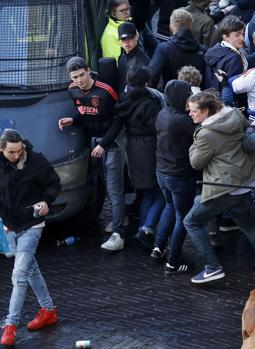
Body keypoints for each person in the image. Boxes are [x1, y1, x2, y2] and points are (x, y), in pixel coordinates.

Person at [183, 91, 255, 284]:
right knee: (247, 224)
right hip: (246, 181)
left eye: (194, 111)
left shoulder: (205, 134)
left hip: (224, 186)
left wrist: (192, 144)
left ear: (206, 111)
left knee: (192, 222)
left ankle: (212, 267)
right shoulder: (234, 115)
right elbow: (247, 130)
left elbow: (196, 163)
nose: (190, 114)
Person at [58, 57, 126, 251]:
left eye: (81, 75)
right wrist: (72, 120)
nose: (79, 80)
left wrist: (104, 143)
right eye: (75, 77)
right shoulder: (72, 90)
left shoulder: (106, 91)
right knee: (104, 182)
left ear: (89, 70)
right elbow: (87, 112)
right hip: (94, 142)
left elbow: (118, 120)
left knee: (113, 187)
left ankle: (119, 233)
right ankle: (120, 218)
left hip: (111, 143)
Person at [0, 129, 61, 346]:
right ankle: (48, 310)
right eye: (11, 153)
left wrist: (46, 201)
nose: (16, 156)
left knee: (19, 275)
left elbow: (54, 183)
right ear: (2, 150)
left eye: (19, 151)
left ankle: (10, 325)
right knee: (30, 269)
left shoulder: (36, 161)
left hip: (32, 224)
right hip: (9, 226)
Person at [114, 67, 164, 247]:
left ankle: (142, 227)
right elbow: (156, 127)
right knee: (160, 193)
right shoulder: (150, 103)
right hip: (150, 148)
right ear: (146, 83)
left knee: (146, 192)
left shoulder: (124, 100)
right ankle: (147, 228)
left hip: (132, 148)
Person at [153, 80, 197, 274]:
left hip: (162, 171)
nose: (190, 99)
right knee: (183, 217)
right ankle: (173, 262)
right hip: (179, 175)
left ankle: (158, 246)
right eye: (187, 95)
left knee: (169, 206)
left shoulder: (163, 113)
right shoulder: (182, 120)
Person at [148, 9, 206, 89]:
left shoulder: (164, 49)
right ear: (191, 26)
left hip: (172, 96)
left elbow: (152, 75)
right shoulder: (203, 50)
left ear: (170, 28)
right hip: (198, 97)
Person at [203, 15, 248, 91]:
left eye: (243, 34)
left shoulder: (215, 49)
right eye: (237, 35)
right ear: (225, 37)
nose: (242, 38)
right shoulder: (234, 58)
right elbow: (235, 88)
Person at [117, 22, 151, 94]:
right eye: (123, 39)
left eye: (130, 38)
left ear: (137, 36)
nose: (126, 42)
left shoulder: (142, 61)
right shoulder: (123, 54)